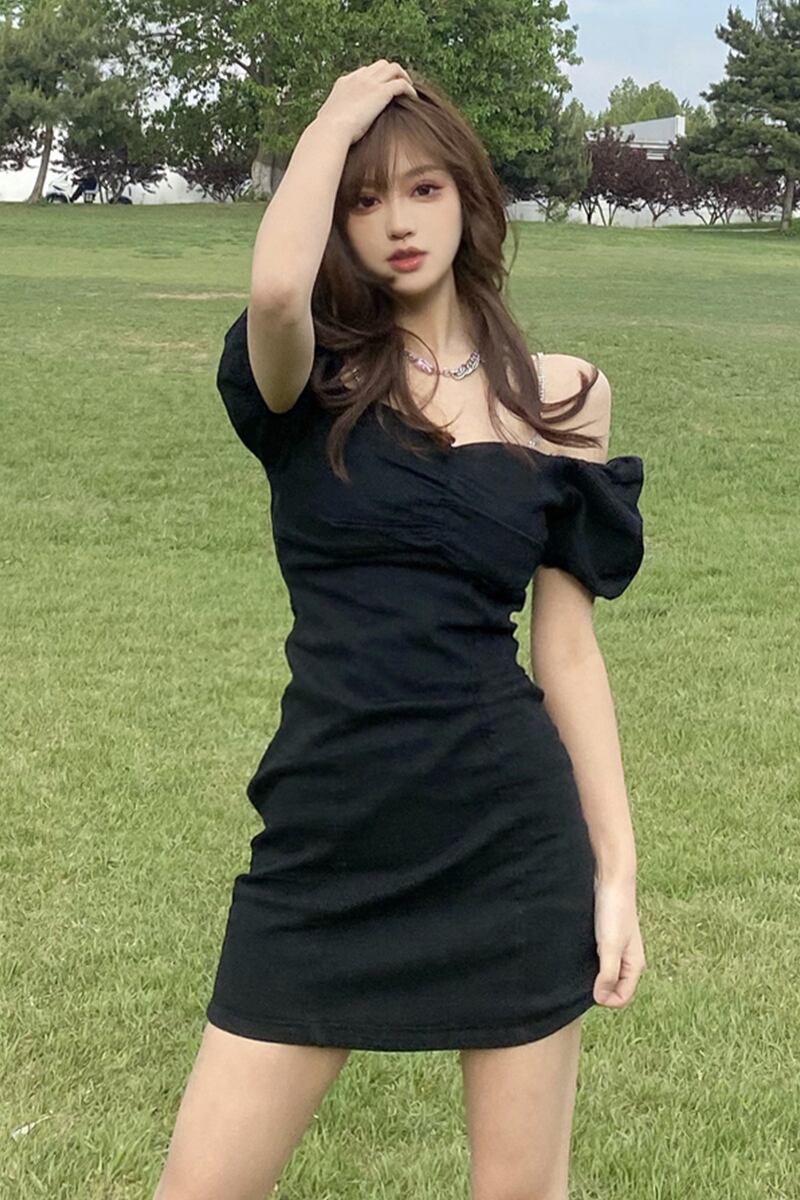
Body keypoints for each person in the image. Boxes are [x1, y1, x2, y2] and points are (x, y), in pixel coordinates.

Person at [153, 59, 647, 1200]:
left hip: (507, 845)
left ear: (469, 196)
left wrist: (616, 869)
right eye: (363, 200)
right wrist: (334, 117)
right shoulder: (307, 378)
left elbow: (566, 653)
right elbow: (276, 293)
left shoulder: (561, 398)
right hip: (325, 840)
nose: (397, 223)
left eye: (423, 189)